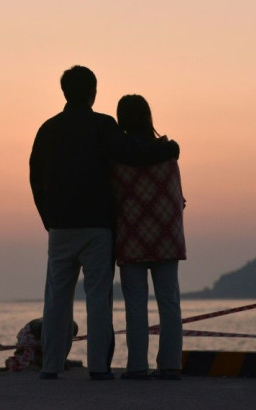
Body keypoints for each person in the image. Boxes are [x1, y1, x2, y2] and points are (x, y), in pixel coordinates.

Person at [29, 67, 179, 381]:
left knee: (57, 297)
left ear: (64, 92)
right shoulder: (102, 125)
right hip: (98, 226)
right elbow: (132, 154)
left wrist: (47, 217)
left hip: (59, 228)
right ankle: (99, 367)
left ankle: (50, 365)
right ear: (93, 92)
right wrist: (169, 148)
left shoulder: (47, 129)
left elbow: (35, 176)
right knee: (98, 297)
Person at [111, 94, 186, 381]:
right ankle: (170, 366)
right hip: (167, 236)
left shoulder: (118, 158)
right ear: (147, 116)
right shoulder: (168, 153)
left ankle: (136, 367)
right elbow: (177, 197)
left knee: (135, 304)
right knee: (169, 302)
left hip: (131, 237)